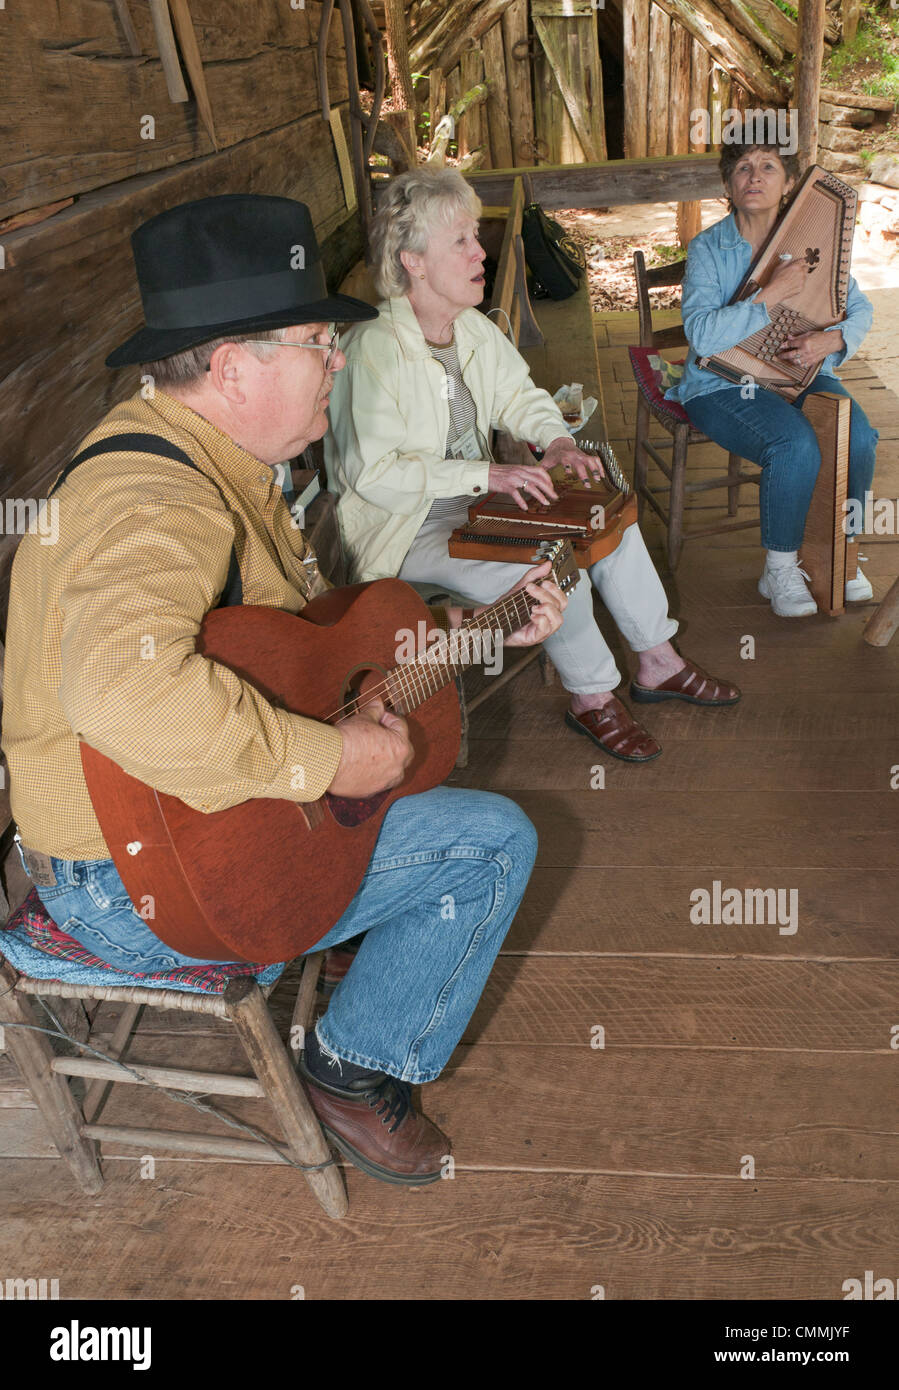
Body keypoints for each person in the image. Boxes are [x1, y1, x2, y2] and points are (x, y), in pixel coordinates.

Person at [1, 194, 569, 1189]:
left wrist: (485, 631)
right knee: (493, 845)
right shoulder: (158, 502)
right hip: (121, 881)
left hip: (160, 824)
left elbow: (293, 652)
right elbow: (121, 692)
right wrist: (330, 758)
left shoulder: (210, 457)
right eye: (314, 341)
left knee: (405, 758)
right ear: (231, 367)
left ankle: (357, 939)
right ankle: (351, 1070)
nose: (338, 361)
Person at [325, 169, 740, 767]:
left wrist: (556, 442)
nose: (479, 251)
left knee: (602, 515)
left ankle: (657, 660)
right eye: (461, 241)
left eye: (476, 235)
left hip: (469, 504)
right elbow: (376, 476)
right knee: (544, 566)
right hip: (402, 528)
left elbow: (518, 396)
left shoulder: (469, 328)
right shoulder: (372, 351)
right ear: (412, 260)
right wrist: (486, 477)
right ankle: (593, 694)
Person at [666, 140, 878, 618]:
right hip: (718, 383)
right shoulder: (709, 247)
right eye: (742, 168)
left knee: (859, 437)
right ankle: (779, 568)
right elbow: (700, 335)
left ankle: (842, 555)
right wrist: (767, 295)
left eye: (768, 167)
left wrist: (833, 341)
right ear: (728, 184)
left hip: (795, 375)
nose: (755, 176)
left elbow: (860, 307)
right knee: (793, 444)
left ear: (788, 185)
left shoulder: (811, 239)